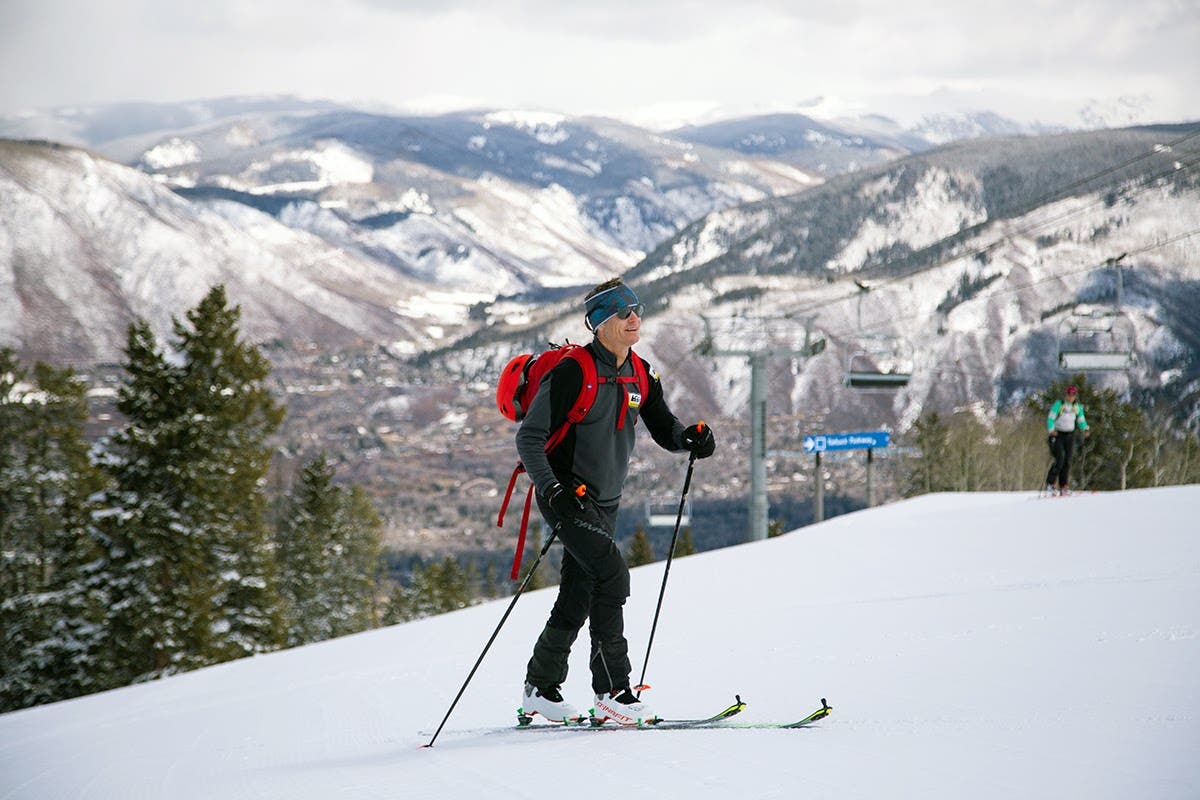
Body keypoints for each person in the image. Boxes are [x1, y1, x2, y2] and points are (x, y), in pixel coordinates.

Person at [515, 278, 715, 725]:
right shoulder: (572, 373)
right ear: (599, 322)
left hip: (605, 500)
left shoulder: (640, 371)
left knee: (579, 589)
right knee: (610, 573)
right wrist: (552, 490)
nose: (634, 319)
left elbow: (664, 426)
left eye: (637, 310)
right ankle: (612, 691)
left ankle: (540, 688)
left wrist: (690, 439)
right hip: (566, 496)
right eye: (623, 312)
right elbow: (529, 438)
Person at [1046, 385, 1089, 495]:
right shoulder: (1059, 405)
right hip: (1058, 434)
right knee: (1059, 459)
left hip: (1070, 435)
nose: (1070, 397)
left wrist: (1085, 429)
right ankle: (1050, 484)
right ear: (1065, 395)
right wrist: (1051, 430)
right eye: (1069, 395)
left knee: (1067, 461)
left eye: (1073, 395)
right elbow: (1051, 418)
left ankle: (1063, 486)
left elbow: (1081, 420)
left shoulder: (1077, 407)